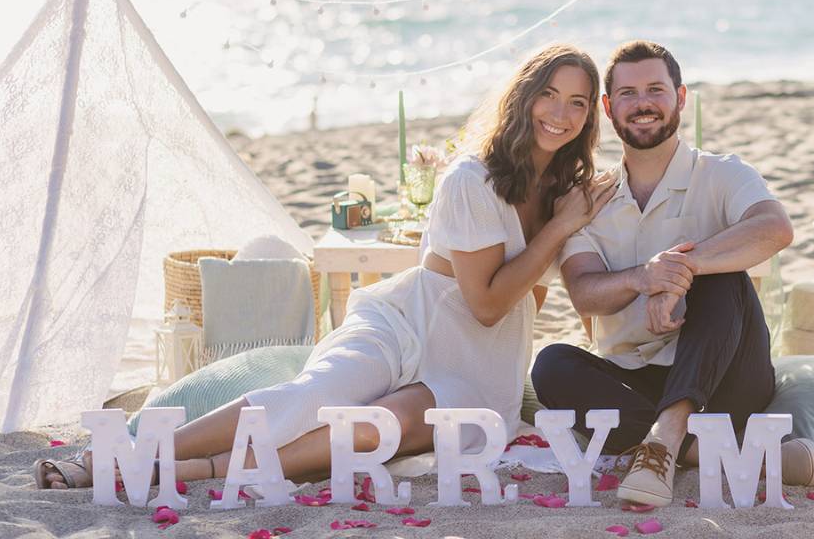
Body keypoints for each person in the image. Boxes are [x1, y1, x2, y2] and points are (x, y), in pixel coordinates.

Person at [37, 43, 617, 489]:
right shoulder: (473, 179)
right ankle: (126, 456)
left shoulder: (566, 189)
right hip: (409, 322)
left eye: (578, 102)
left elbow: (530, 300)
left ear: (591, 115)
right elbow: (487, 302)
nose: (560, 114)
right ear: (524, 96)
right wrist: (561, 229)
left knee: (373, 427)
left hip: (476, 364)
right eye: (550, 94)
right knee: (315, 394)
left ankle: (202, 470)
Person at [530, 40, 814, 507]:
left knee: (722, 273)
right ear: (608, 108)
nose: (642, 103)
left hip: (727, 376)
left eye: (655, 89)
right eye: (627, 93)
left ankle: (666, 438)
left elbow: (775, 228)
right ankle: (727, 455)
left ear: (680, 98)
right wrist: (643, 279)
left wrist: (683, 268)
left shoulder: (722, 172)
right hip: (635, 376)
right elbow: (584, 294)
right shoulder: (590, 198)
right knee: (551, 364)